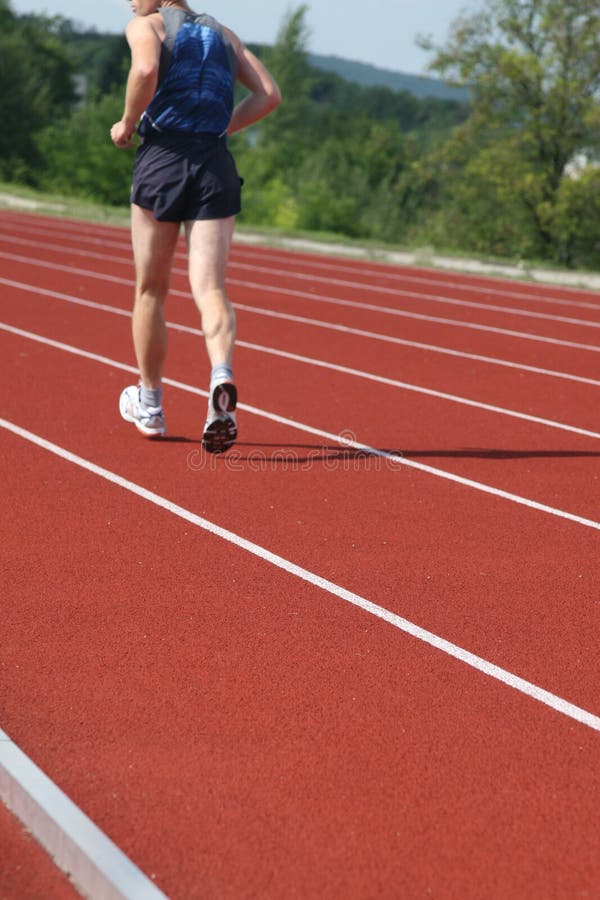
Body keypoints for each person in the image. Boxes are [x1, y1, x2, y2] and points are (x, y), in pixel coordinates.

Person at [111, 0, 281, 452]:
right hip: (214, 163)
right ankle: (221, 374)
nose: (127, 1)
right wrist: (222, 127)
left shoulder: (146, 25)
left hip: (163, 159)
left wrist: (127, 122)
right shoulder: (224, 35)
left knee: (151, 288)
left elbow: (146, 70)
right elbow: (269, 94)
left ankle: (149, 403)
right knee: (210, 288)